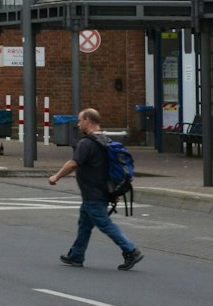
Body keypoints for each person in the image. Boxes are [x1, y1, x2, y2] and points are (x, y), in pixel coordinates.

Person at [48, 107, 143, 270]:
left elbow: (73, 163)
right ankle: (76, 255)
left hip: (94, 193)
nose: (78, 124)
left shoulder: (86, 143)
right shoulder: (105, 141)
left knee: (105, 224)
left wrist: (56, 176)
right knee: (84, 224)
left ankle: (131, 250)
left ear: (87, 121)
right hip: (100, 191)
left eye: (80, 120)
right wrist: (113, 192)